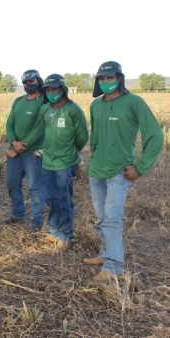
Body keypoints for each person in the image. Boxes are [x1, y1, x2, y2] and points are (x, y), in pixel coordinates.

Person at [86, 61, 164, 281]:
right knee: (102, 218)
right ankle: (106, 254)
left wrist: (140, 167)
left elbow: (156, 135)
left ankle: (113, 268)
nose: (105, 82)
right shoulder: (96, 105)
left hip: (118, 173)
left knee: (112, 219)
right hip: (97, 170)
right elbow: (96, 137)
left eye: (110, 78)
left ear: (119, 78)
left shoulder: (134, 102)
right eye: (102, 79)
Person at [22, 74, 88, 250]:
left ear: (63, 89)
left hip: (65, 164)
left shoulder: (73, 110)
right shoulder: (45, 109)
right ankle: (54, 232)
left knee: (64, 199)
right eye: (48, 90)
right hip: (47, 161)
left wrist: (69, 152)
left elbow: (82, 137)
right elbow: (40, 130)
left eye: (55, 89)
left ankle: (65, 237)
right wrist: (24, 145)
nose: (51, 92)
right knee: (51, 198)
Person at [4, 70, 47, 228]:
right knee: (12, 185)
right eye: (25, 82)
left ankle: (36, 222)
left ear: (38, 81)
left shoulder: (44, 101)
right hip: (14, 152)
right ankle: (17, 215)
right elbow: (9, 124)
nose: (28, 85)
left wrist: (19, 147)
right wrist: (13, 142)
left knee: (35, 188)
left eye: (31, 81)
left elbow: (39, 129)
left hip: (33, 153)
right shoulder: (18, 101)